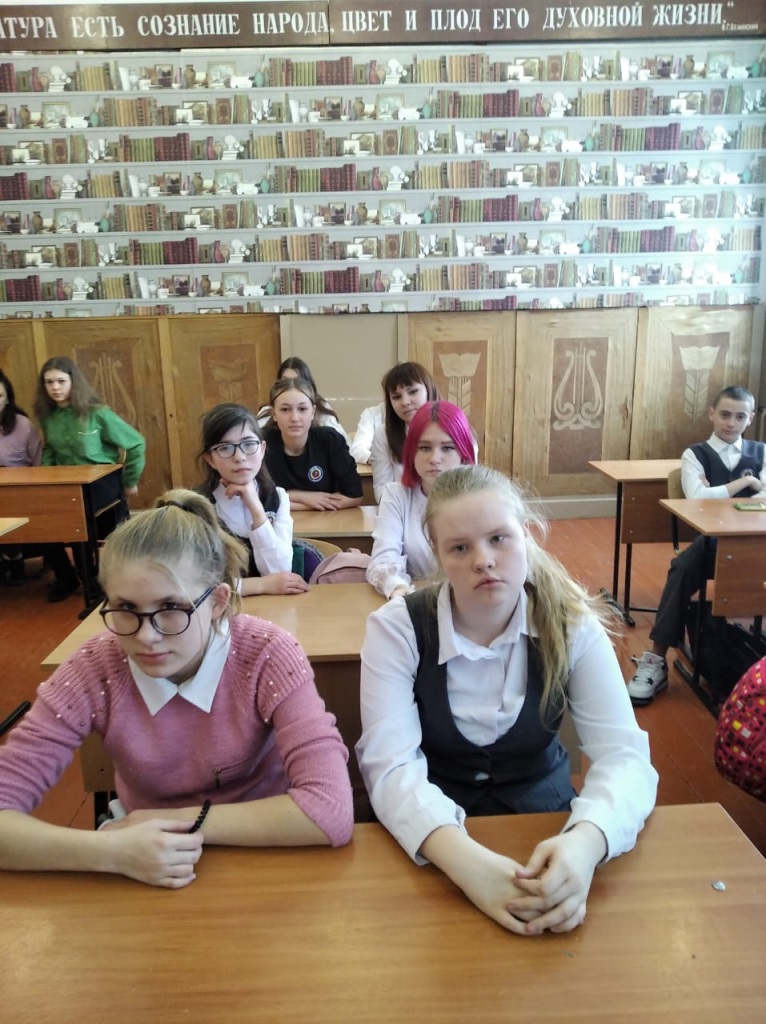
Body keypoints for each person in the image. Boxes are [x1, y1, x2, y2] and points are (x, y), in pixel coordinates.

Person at [357, 464, 657, 935]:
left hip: (548, 829)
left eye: (499, 538)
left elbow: (625, 757)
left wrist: (586, 842)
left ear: (526, 534)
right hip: (432, 844)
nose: (483, 560)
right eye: (460, 547)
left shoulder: (571, 622)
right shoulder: (397, 629)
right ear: (436, 554)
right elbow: (391, 768)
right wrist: (467, 864)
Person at [0, 489, 353, 887]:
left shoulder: (267, 653)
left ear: (218, 601)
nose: (146, 637)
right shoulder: (93, 668)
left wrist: (164, 820)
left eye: (170, 609)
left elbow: (330, 810)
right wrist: (108, 851)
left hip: (265, 851)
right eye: (126, 609)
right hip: (141, 859)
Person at [628, 385, 765, 706]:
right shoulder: (695, 454)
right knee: (682, 568)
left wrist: (719, 493)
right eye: (725, 414)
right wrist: (747, 483)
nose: (731, 422)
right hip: (712, 541)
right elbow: (697, 497)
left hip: (756, 543)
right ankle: (656, 659)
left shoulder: (761, 451)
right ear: (711, 414)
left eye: (740, 417)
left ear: (750, 419)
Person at [34, 356, 146, 601]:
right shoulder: (49, 416)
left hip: (100, 481)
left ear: (73, 382)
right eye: (49, 382)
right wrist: (45, 479)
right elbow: (50, 448)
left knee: (79, 520)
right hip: (65, 484)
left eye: (61, 381)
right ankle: (66, 577)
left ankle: (92, 582)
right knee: (41, 519)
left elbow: (136, 443)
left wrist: (130, 480)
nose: (55, 387)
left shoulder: (97, 413)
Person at [197, 402, 309, 596]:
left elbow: (280, 571)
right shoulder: (196, 507)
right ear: (210, 459)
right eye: (225, 448)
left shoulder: (277, 498)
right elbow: (196, 586)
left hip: (275, 608)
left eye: (249, 444)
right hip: (220, 611)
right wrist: (262, 585)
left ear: (262, 449)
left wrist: (255, 507)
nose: (239, 457)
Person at [367, 401, 476, 599]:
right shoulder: (396, 495)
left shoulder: (482, 496)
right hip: (418, 598)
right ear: (411, 453)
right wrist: (397, 587)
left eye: (447, 448)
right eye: (424, 448)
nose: (434, 458)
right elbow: (382, 560)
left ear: (464, 453)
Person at [263, 377, 363, 511]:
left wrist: (282, 500)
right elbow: (257, 499)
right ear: (274, 414)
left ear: (313, 412)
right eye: (285, 410)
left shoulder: (330, 440)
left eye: (302, 409)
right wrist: (303, 497)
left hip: (327, 519)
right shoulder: (260, 443)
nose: (294, 418)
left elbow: (354, 495)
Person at [369, 362, 440, 502]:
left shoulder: (456, 429)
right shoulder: (383, 435)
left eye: (413, 391)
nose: (405, 402)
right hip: (401, 511)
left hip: (449, 510)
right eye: (396, 397)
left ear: (429, 389)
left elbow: (466, 486)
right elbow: (382, 490)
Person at [0, 369, 42, 585]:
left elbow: (39, 463)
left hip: (21, 491)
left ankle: (14, 557)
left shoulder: (22, 425)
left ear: (7, 399)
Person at [257, 356, 349, 442]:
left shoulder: (322, 409)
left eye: (302, 409)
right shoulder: (266, 411)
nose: (291, 386)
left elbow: (345, 443)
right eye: (285, 381)